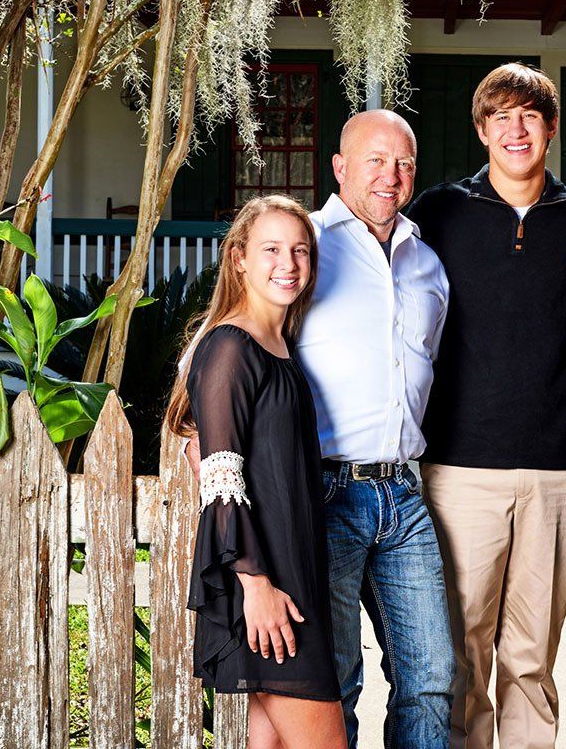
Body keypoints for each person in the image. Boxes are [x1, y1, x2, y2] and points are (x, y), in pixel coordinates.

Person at [187, 110, 455, 749]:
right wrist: (254, 578)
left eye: (404, 163)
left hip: (404, 493)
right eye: (374, 160)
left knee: (432, 678)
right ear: (339, 168)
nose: (391, 176)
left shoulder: (427, 264)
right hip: (320, 503)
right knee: (334, 684)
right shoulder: (309, 249)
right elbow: (213, 431)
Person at [407, 63, 566, 749]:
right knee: (460, 650)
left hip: (556, 470)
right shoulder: (438, 212)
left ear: (551, 128)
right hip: (460, 466)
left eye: (530, 116)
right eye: (501, 117)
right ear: (481, 130)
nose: (515, 130)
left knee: (530, 657)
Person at [166, 195, 347, 749]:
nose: (287, 263)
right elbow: (221, 480)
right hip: (267, 582)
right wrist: (255, 584)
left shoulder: (279, 347)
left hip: (294, 572)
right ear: (239, 258)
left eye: (299, 251)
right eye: (271, 249)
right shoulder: (230, 346)